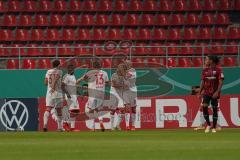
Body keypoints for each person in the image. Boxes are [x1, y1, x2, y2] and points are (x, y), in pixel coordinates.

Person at [76, 60, 109, 131]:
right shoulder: (104, 73)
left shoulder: (90, 73)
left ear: (93, 66)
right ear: (100, 66)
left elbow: (83, 79)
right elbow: (107, 83)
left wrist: (78, 81)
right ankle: (100, 121)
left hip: (92, 93)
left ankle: (92, 127)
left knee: (90, 109)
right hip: (101, 93)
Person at [199, 55, 224, 133]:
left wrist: (217, 92)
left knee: (214, 109)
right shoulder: (204, 70)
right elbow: (202, 82)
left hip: (214, 93)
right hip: (206, 93)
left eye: (206, 59)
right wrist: (200, 92)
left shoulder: (219, 70)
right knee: (204, 107)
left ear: (211, 61)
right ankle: (209, 125)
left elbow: (221, 82)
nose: (205, 61)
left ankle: (214, 127)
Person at [43, 59, 64, 132]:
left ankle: (45, 125)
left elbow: (45, 83)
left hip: (49, 93)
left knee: (48, 108)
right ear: (58, 65)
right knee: (59, 111)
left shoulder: (48, 71)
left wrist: (50, 86)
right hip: (58, 93)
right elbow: (56, 78)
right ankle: (60, 127)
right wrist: (54, 87)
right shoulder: (60, 71)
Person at [62, 64, 80, 132]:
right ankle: (65, 123)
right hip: (69, 95)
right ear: (68, 69)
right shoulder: (66, 76)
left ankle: (72, 127)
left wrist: (78, 92)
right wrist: (67, 94)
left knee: (75, 111)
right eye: (71, 69)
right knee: (72, 110)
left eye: (73, 69)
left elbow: (73, 86)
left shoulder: (73, 76)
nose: (73, 70)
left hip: (74, 95)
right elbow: (62, 86)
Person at [123, 60, 137, 131]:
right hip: (125, 91)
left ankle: (133, 125)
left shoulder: (132, 70)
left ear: (130, 64)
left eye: (126, 63)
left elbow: (126, 77)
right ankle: (127, 126)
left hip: (133, 91)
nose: (125, 64)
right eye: (125, 63)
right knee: (127, 107)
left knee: (133, 108)